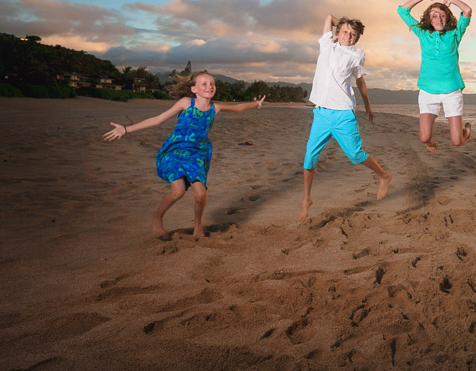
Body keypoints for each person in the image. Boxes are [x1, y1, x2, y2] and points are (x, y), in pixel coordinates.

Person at [103, 71, 265, 240]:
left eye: (212, 84)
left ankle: (198, 225)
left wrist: (256, 104)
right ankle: (157, 216)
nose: (209, 87)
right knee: (178, 191)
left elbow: (238, 108)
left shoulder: (214, 108)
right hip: (176, 151)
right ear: (194, 89)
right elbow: (158, 119)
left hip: (197, 154)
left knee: (200, 195)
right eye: (204, 84)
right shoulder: (186, 103)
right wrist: (126, 129)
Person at [299, 14, 391, 223]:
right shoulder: (327, 45)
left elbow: (360, 82)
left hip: (343, 113)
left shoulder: (356, 55)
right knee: (309, 157)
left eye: (353, 34)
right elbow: (329, 17)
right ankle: (306, 199)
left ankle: (383, 175)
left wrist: (368, 107)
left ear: (356, 38)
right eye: (345, 32)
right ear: (337, 32)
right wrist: (342, 23)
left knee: (355, 154)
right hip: (322, 112)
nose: (348, 36)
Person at [397, 0, 473, 153]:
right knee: (424, 138)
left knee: (457, 141)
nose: (439, 19)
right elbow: (402, 11)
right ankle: (429, 141)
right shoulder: (422, 33)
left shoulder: (455, 33)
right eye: (434, 16)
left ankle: (465, 133)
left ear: (448, 18)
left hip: (451, 92)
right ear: (429, 19)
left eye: (442, 15)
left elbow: (467, 11)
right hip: (428, 92)